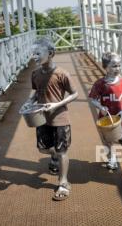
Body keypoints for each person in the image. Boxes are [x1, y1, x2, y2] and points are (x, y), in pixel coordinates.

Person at [21, 37, 78, 201]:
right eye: (33, 53)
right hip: (41, 117)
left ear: (51, 53)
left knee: (62, 151)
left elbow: (75, 94)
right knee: (43, 149)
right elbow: (36, 92)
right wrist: (28, 102)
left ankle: (63, 182)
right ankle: (54, 156)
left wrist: (57, 104)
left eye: (38, 53)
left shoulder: (62, 74)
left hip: (60, 118)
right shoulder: (35, 74)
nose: (34, 56)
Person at [88, 52, 122, 185]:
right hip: (107, 119)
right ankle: (112, 159)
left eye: (119, 65)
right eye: (113, 66)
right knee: (108, 141)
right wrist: (100, 106)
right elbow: (92, 99)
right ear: (105, 67)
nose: (117, 68)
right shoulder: (100, 83)